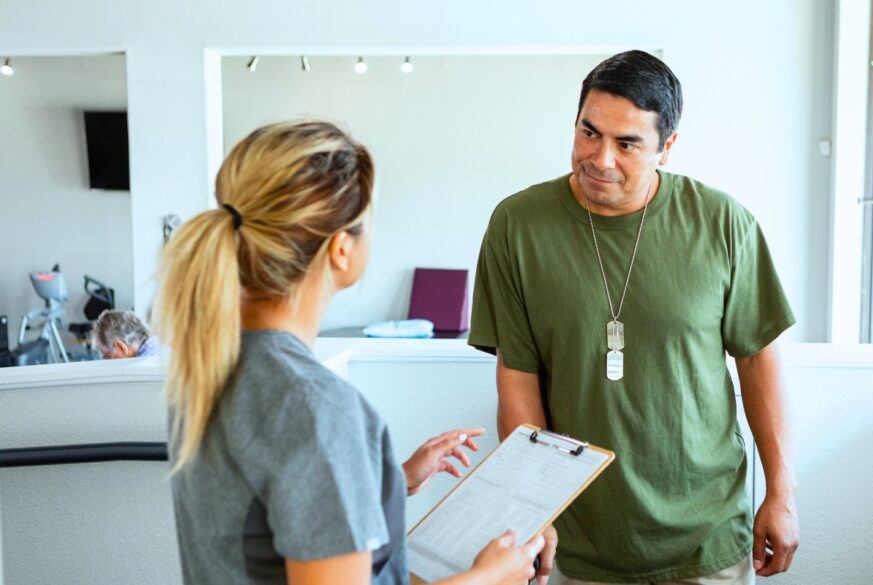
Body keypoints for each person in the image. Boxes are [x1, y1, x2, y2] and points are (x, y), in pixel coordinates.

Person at [156, 121, 544, 585]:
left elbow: (275, 516)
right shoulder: (315, 407)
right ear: (341, 248)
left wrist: (388, 482)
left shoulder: (211, 369)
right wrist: (487, 577)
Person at [469, 50, 799, 585]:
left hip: (705, 537)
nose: (600, 159)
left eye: (627, 144)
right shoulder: (517, 225)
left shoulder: (722, 223)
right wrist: (534, 508)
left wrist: (781, 494)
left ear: (667, 147)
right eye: (588, 132)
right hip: (577, 541)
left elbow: (759, 360)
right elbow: (517, 375)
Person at [91, 309, 161, 358]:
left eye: (108, 357)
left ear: (121, 347)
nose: (106, 362)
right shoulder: (161, 346)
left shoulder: (141, 369)